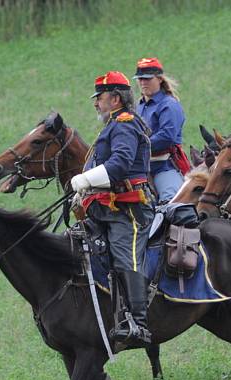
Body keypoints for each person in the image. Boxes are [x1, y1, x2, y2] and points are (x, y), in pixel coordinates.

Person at [71, 71, 155, 346]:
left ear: (115, 98)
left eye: (100, 97)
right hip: (107, 208)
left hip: (129, 212)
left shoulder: (125, 125)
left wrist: (84, 180)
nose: (95, 103)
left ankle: (139, 324)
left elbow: (119, 166)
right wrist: (84, 191)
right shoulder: (112, 125)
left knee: (124, 255)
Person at [134, 57, 189, 203]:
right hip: (138, 168)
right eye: (140, 79)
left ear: (159, 79)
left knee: (171, 203)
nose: (143, 82)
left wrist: (138, 145)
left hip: (163, 166)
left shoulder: (169, 105)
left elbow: (166, 136)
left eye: (147, 78)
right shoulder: (137, 107)